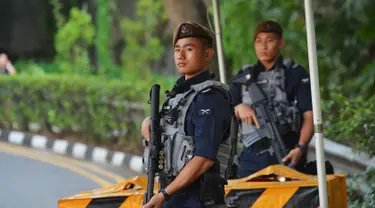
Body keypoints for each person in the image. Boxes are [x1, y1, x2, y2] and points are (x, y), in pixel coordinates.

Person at [142, 21, 235, 208]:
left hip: (198, 200)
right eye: (177, 50)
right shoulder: (179, 95)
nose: (181, 55)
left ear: (208, 54)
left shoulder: (211, 98)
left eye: (189, 49)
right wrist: (149, 124)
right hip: (173, 196)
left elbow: (203, 159)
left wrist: (163, 196)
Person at [230, 20, 314, 178]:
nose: (263, 46)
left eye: (270, 40)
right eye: (259, 41)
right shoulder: (244, 75)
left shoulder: (295, 73)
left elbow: (309, 116)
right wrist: (239, 108)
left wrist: (300, 149)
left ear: (281, 42)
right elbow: (223, 110)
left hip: (288, 153)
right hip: (251, 158)